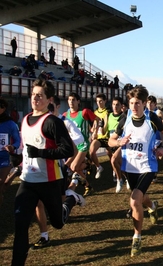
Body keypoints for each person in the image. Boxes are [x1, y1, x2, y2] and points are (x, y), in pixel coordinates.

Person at [12, 79, 84, 266]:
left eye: (40, 95)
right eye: (33, 94)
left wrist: (41, 153)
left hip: (50, 180)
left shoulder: (52, 122)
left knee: (58, 223)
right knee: (20, 225)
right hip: (28, 181)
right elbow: (25, 151)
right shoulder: (25, 120)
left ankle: (71, 199)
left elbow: (67, 150)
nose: (35, 98)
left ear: (48, 99)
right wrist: (16, 156)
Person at [108, 85, 163, 257]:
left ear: (144, 104)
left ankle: (137, 238)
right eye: (131, 103)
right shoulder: (125, 119)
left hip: (147, 166)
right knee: (140, 197)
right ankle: (152, 205)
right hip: (130, 167)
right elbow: (110, 141)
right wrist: (119, 142)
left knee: (134, 200)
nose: (134, 107)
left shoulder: (152, 119)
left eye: (138, 104)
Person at [33, 95, 85, 249]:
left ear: (57, 108)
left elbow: (80, 144)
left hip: (57, 170)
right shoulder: (35, 122)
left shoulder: (65, 123)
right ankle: (44, 235)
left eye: (51, 108)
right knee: (38, 202)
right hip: (38, 170)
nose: (47, 111)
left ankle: (72, 196)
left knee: (60, 208)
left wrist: (69, 163)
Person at [64, 92, 100, 196]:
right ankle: (88, 185)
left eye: (73, 100)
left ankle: (87, 164)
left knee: (73, 167)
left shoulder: (84, 112)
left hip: (83, 144)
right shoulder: (65, 115)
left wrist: (95, 131)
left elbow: (97, 120)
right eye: (69, 100)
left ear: (78, 101)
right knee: (73, 168)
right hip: (72, 147)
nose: (71, 102)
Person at [0, 98, 21, 206]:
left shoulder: (10, 124)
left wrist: (13, 146)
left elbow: (18, 140)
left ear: (3, 108)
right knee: (1, 189)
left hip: (4, 159)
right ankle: (15, 172)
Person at [89, 93, 110, 180]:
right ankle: (98, 167)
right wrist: (94, 131)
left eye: (101, 101)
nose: (99, 103)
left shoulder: (107, 112)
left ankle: (115, 172)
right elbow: (95, 124)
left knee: (111, 156)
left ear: (105, 101)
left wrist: (102, 128)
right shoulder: (95, 112)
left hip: (107, 137)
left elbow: (106, 125)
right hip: (99, 137)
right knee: (91, 152)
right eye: (97, 101)